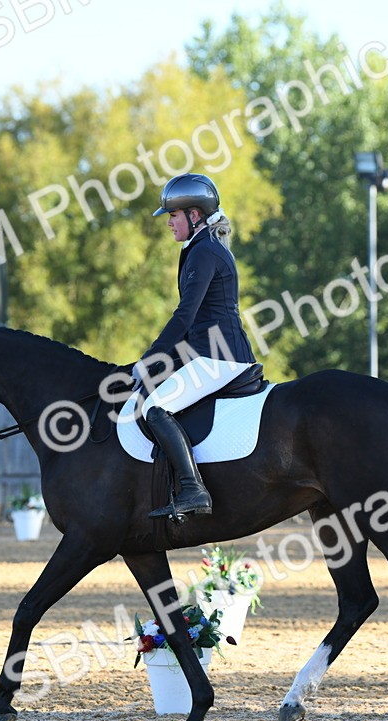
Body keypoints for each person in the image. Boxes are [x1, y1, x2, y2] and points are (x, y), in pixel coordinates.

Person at [134, 173, 256, 519]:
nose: (169, 223)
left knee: (155, 407)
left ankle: (192, 489)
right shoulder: (201, 249)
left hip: (220, 357)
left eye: (173, 216)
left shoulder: (205, 253)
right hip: (208, 351)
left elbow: (184, 317)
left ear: (194, 215)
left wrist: (149, 359)